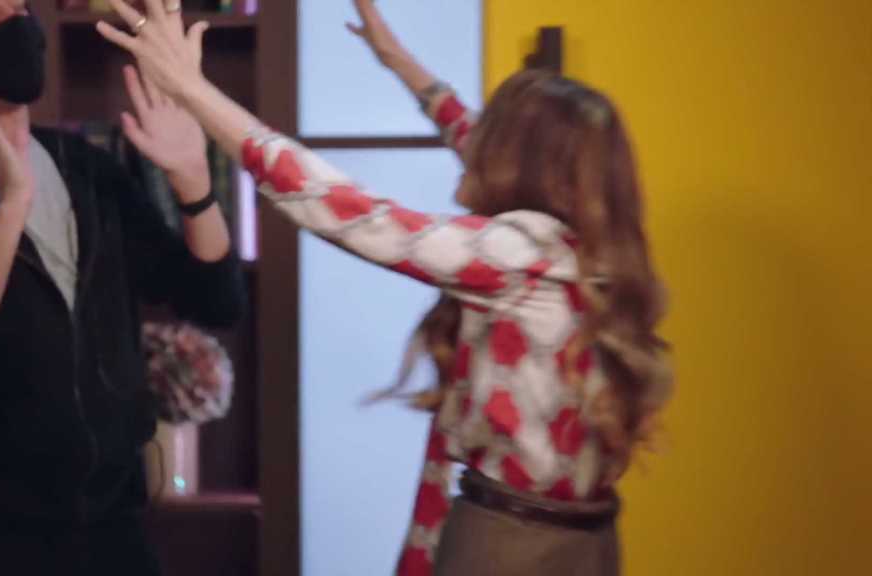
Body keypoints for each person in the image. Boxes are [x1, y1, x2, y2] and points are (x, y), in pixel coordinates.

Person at [97, 0, 673, 574]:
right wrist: (397, 60)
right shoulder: (587, 251)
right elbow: (467, 131)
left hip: (515, 544)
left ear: (515, 161)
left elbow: (348, 212)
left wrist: (194, 90)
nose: (474, 145)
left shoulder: (525, 251)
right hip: (589, 539)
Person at [0, 0, 245, 574]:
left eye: (15, 5)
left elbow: (217, 302)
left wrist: (193, 182)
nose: (14, 21)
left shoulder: (86, 166)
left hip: (106, 514)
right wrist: (11, 207)